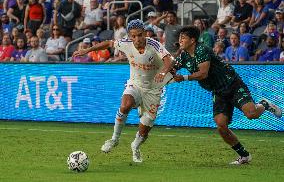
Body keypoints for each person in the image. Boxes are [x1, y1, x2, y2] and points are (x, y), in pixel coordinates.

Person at [173, 25, 282, 165]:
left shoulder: (202, 49)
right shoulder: (183, 55)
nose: (180, 40)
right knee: (221, 125)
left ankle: (264, 104)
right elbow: (172, 67)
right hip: (218, 91)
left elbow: (203, 73)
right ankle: (244, 156)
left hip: (232, 84)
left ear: (192, 40)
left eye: (183, 37)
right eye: (180, 37)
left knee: (251, 114)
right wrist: (163, 71)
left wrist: (184, 77)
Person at [73, 19, 174, 163]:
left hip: (153, 90)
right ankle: (114, 139)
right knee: (125, 105)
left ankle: (135, 146)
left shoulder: (154, 45)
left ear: (145, 33)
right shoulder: (126, 43)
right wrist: (86, 50)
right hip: (135, 84)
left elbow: (169, 61)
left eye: (140, 35)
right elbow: (108, 43)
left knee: (144, 130)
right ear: (130, 35)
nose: (137, 39)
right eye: (133, 36)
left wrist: (163, 73)